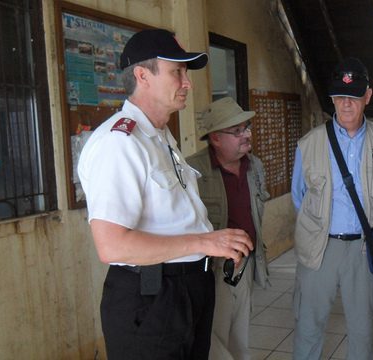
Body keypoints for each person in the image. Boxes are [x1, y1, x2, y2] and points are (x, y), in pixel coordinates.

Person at [77, 29, 253, 360]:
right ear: (142, 76)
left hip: (186, 289)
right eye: (177, 72)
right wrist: (204, 242)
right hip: (151, 298)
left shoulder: (158, 137)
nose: (188, 83)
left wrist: (210, 245)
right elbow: (111, 245)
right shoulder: (119, 143)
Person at [291, 57, 373, 360]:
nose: (346, 104)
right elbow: (299, 197)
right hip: (319, 247)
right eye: (340, 97)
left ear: (368, 96)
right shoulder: (309, 144)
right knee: (309, 326)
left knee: (362, 330)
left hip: (363, 249)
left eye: (354, 96)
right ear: (332, 99)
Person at [185, 97, 270, 360]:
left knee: (239, 334)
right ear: (215, 138)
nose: (246, 135)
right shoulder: (192, 170)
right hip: (213, 269)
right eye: (237, 131)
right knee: (214, 338)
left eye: (246, 127)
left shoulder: (254, 166)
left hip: (245, 263)